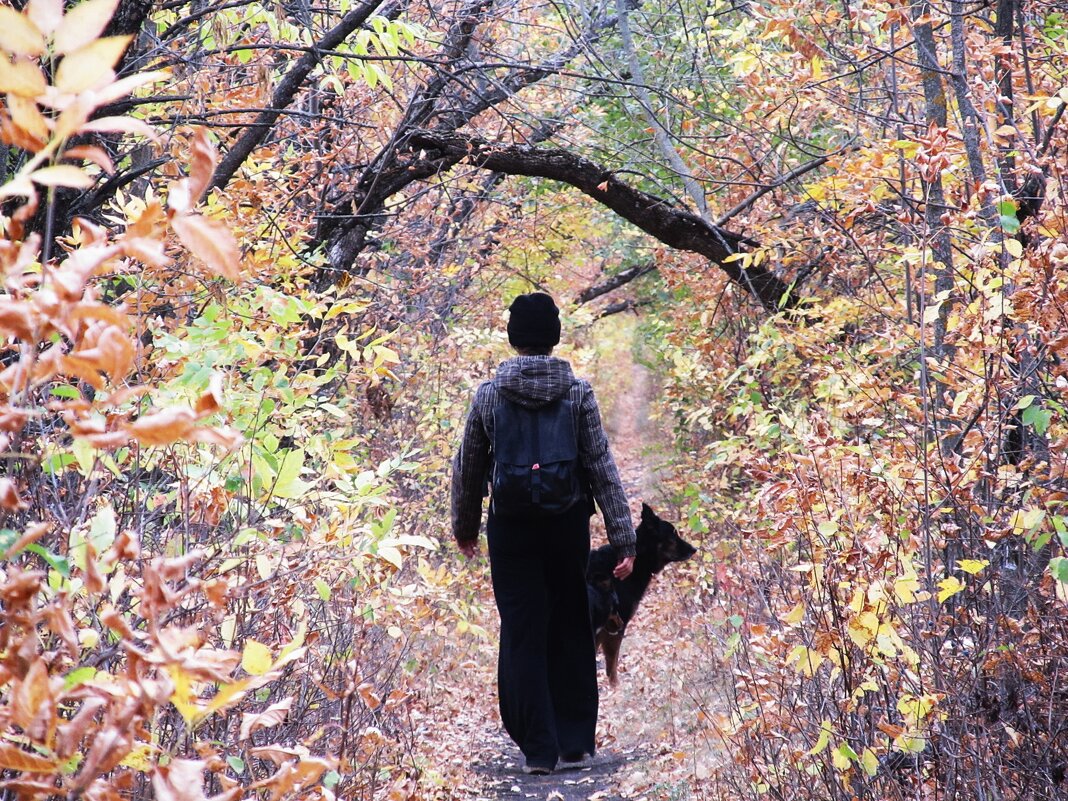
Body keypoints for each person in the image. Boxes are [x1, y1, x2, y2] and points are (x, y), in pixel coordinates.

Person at [451, 291, 636, 776]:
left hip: (511, 530)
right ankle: (574, 743)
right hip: (566, 524)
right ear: (553, 337)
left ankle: (538, 750)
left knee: (522, 630)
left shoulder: (489, 395)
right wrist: (624, 538)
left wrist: (465, 527)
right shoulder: (577, 393)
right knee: (571, 622)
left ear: (514, 337)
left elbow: (469, 468)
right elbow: (600, 466)